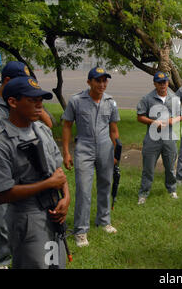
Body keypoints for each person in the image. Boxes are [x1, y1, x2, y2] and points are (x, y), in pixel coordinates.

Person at [0, 76, 70, 269]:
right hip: (27, 218)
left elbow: (58, 172)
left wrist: (66, 198)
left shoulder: (42, 131)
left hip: (53, 211)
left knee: (56, 265)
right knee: (36, 264)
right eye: (32, 100)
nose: (39, 106)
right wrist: (47, 185)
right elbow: (1, 194)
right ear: (12, 102)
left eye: (41, 101)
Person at [62, 67, 120, 247]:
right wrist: (66, 151)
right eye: (98, 81)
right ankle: (80, 231)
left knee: (105, 184)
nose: (102, 84)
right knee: (84, 189)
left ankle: (104, 220)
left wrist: (116, 152)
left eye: (105, 81)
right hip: (84, 147)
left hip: (105, 147)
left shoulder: (110, 102)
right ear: (89, 82)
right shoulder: (77, 101)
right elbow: (66, 125)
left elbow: (113, 130)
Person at [136, 71, 182, 205]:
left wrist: (172, 120)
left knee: (170, 166)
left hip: (169, 137)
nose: (162, 85)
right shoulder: (147, 98)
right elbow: (139, 116)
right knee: (148, 167)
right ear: (155, 83)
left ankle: (171, 189)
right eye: (159, 82)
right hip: (152, 138)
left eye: (164, 82)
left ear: (168, 83)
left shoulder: (174, 98)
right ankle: (144, 193)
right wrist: (153, 122)